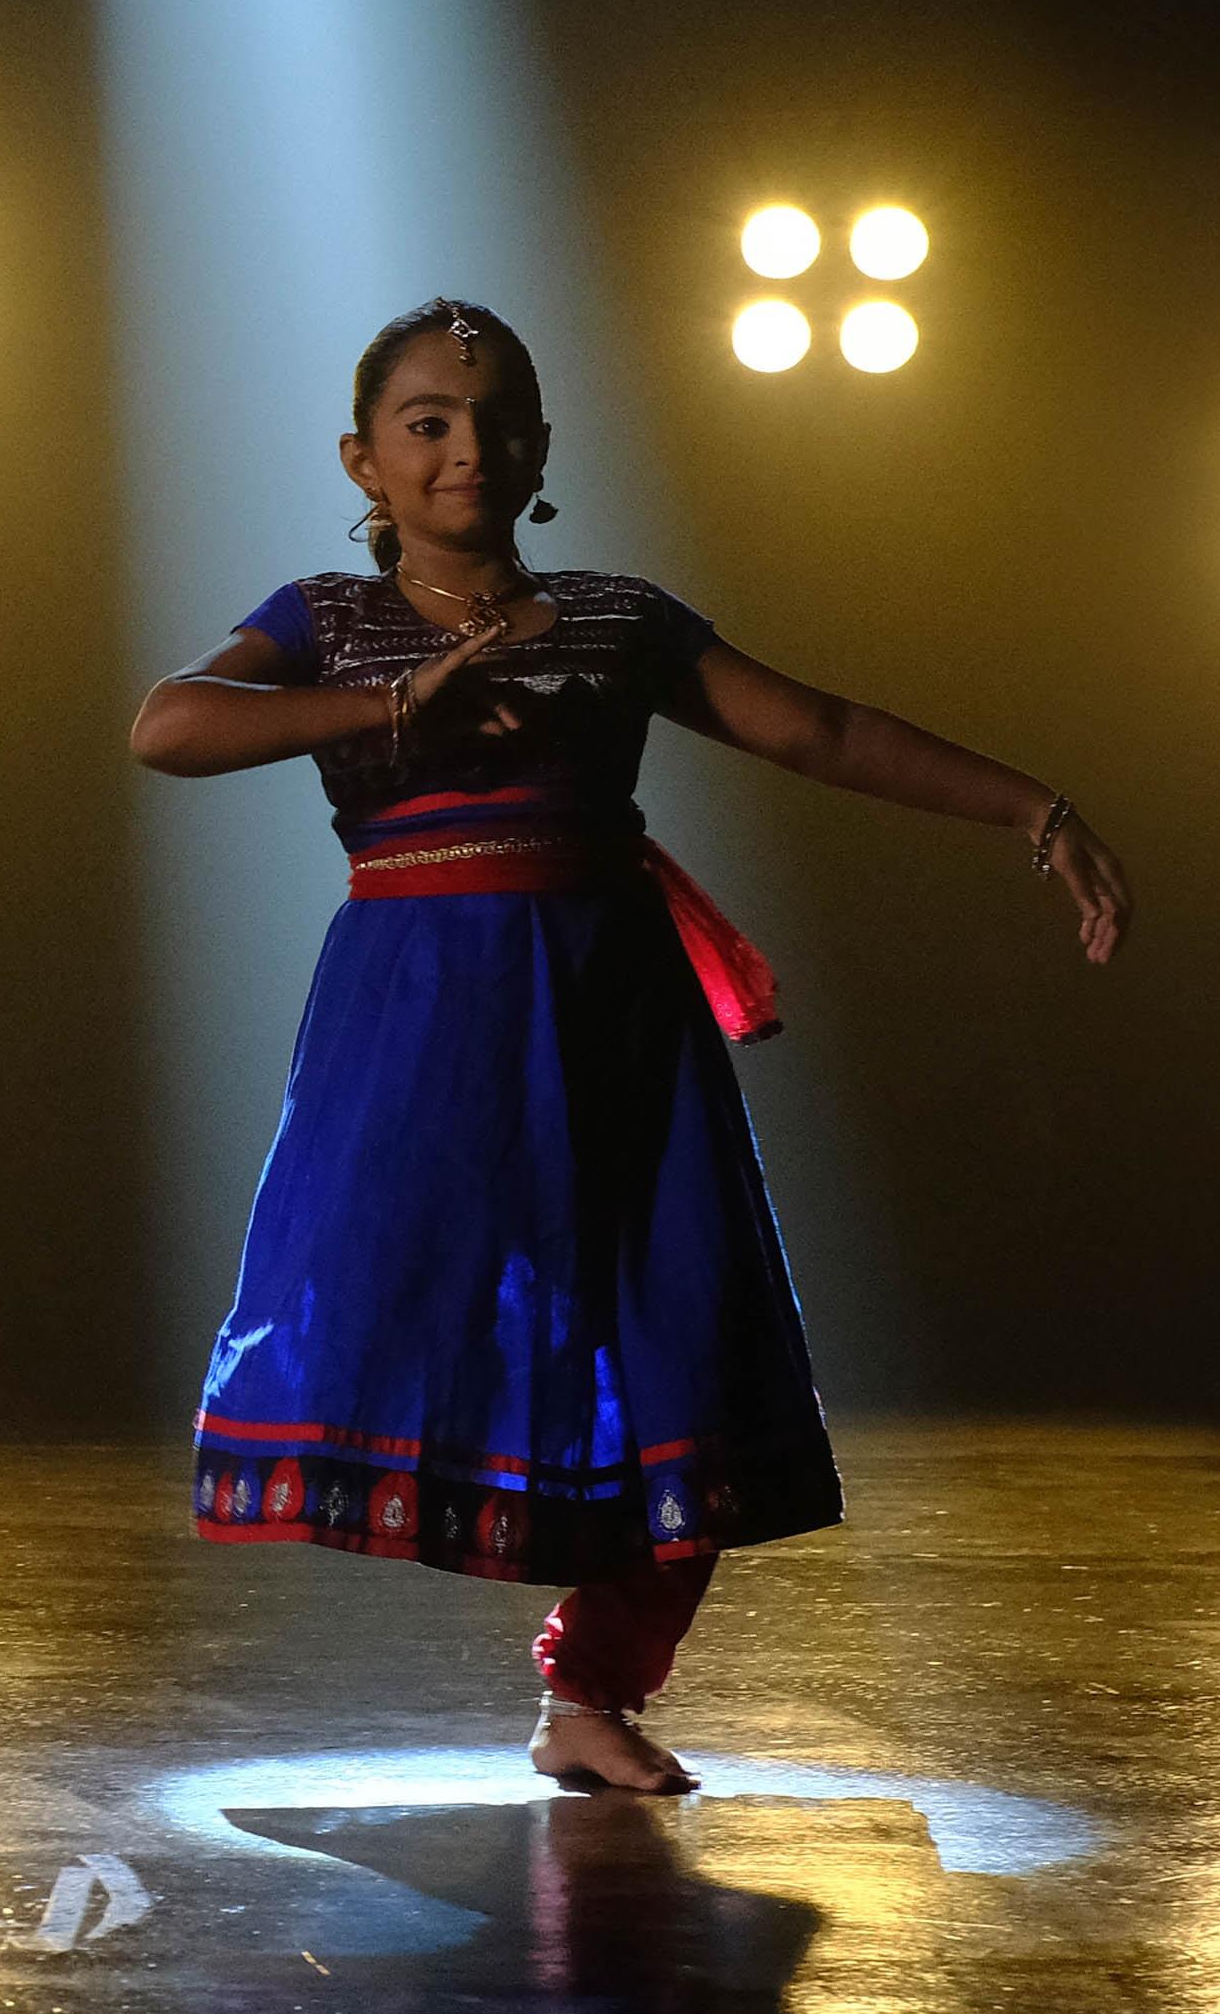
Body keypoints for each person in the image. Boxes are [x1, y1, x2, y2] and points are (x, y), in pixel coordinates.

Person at [127, 299, 1123, 1792]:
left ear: (540, 447)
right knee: (413, 1305)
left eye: (496, 419)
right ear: (364, 455)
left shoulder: (616, 617)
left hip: (614, 1016)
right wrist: (403, 699)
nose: (465, 447)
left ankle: (593, 1685)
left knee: (690, 1326)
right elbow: (168, 724)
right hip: (421, 1019)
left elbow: (824, 730)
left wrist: (1033, 809)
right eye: (427, 422)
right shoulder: (325, 617)